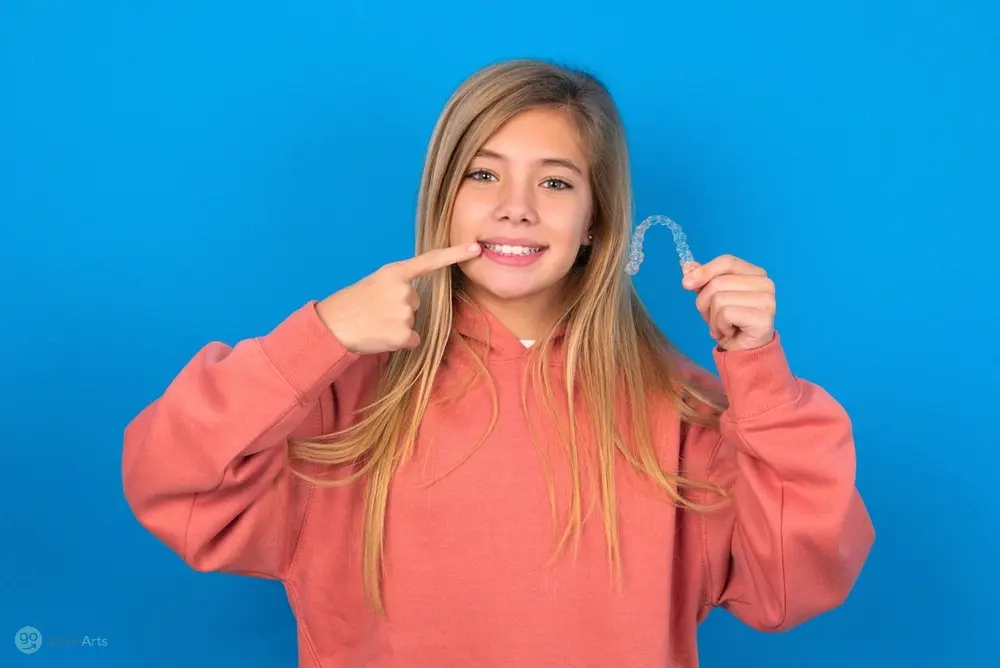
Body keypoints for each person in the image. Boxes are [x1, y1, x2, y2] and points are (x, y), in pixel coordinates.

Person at [121, 58, 875, 667]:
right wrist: (319, 334)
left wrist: (759, 375)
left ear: (595, 221)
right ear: (441, 199)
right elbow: (173, 481)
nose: (517, 206)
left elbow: (793, 583)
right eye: (483, 175)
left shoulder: (683, 409)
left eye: (555, 181)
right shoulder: (342, 392)